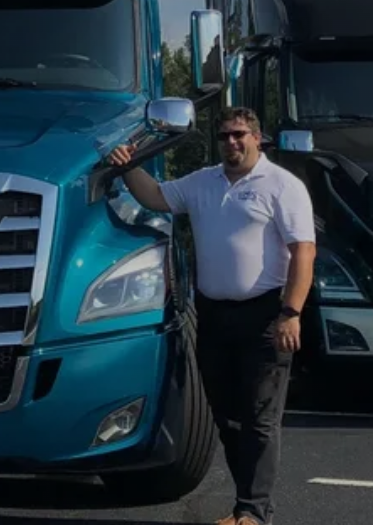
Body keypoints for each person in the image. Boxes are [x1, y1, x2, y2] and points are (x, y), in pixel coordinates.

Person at [107, 107, 315, 525]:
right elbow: (155, 196)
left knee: (260, 418)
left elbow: (303, 252)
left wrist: (291, 312)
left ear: (257, 138)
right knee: (228, 416)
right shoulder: (203, 182)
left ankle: (253, 512)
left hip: (265, 315)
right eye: (224, 137)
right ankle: (248, 504)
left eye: (239, 135)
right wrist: (129, 166)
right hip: (214, 316)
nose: (231, 143)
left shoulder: (282, 186)